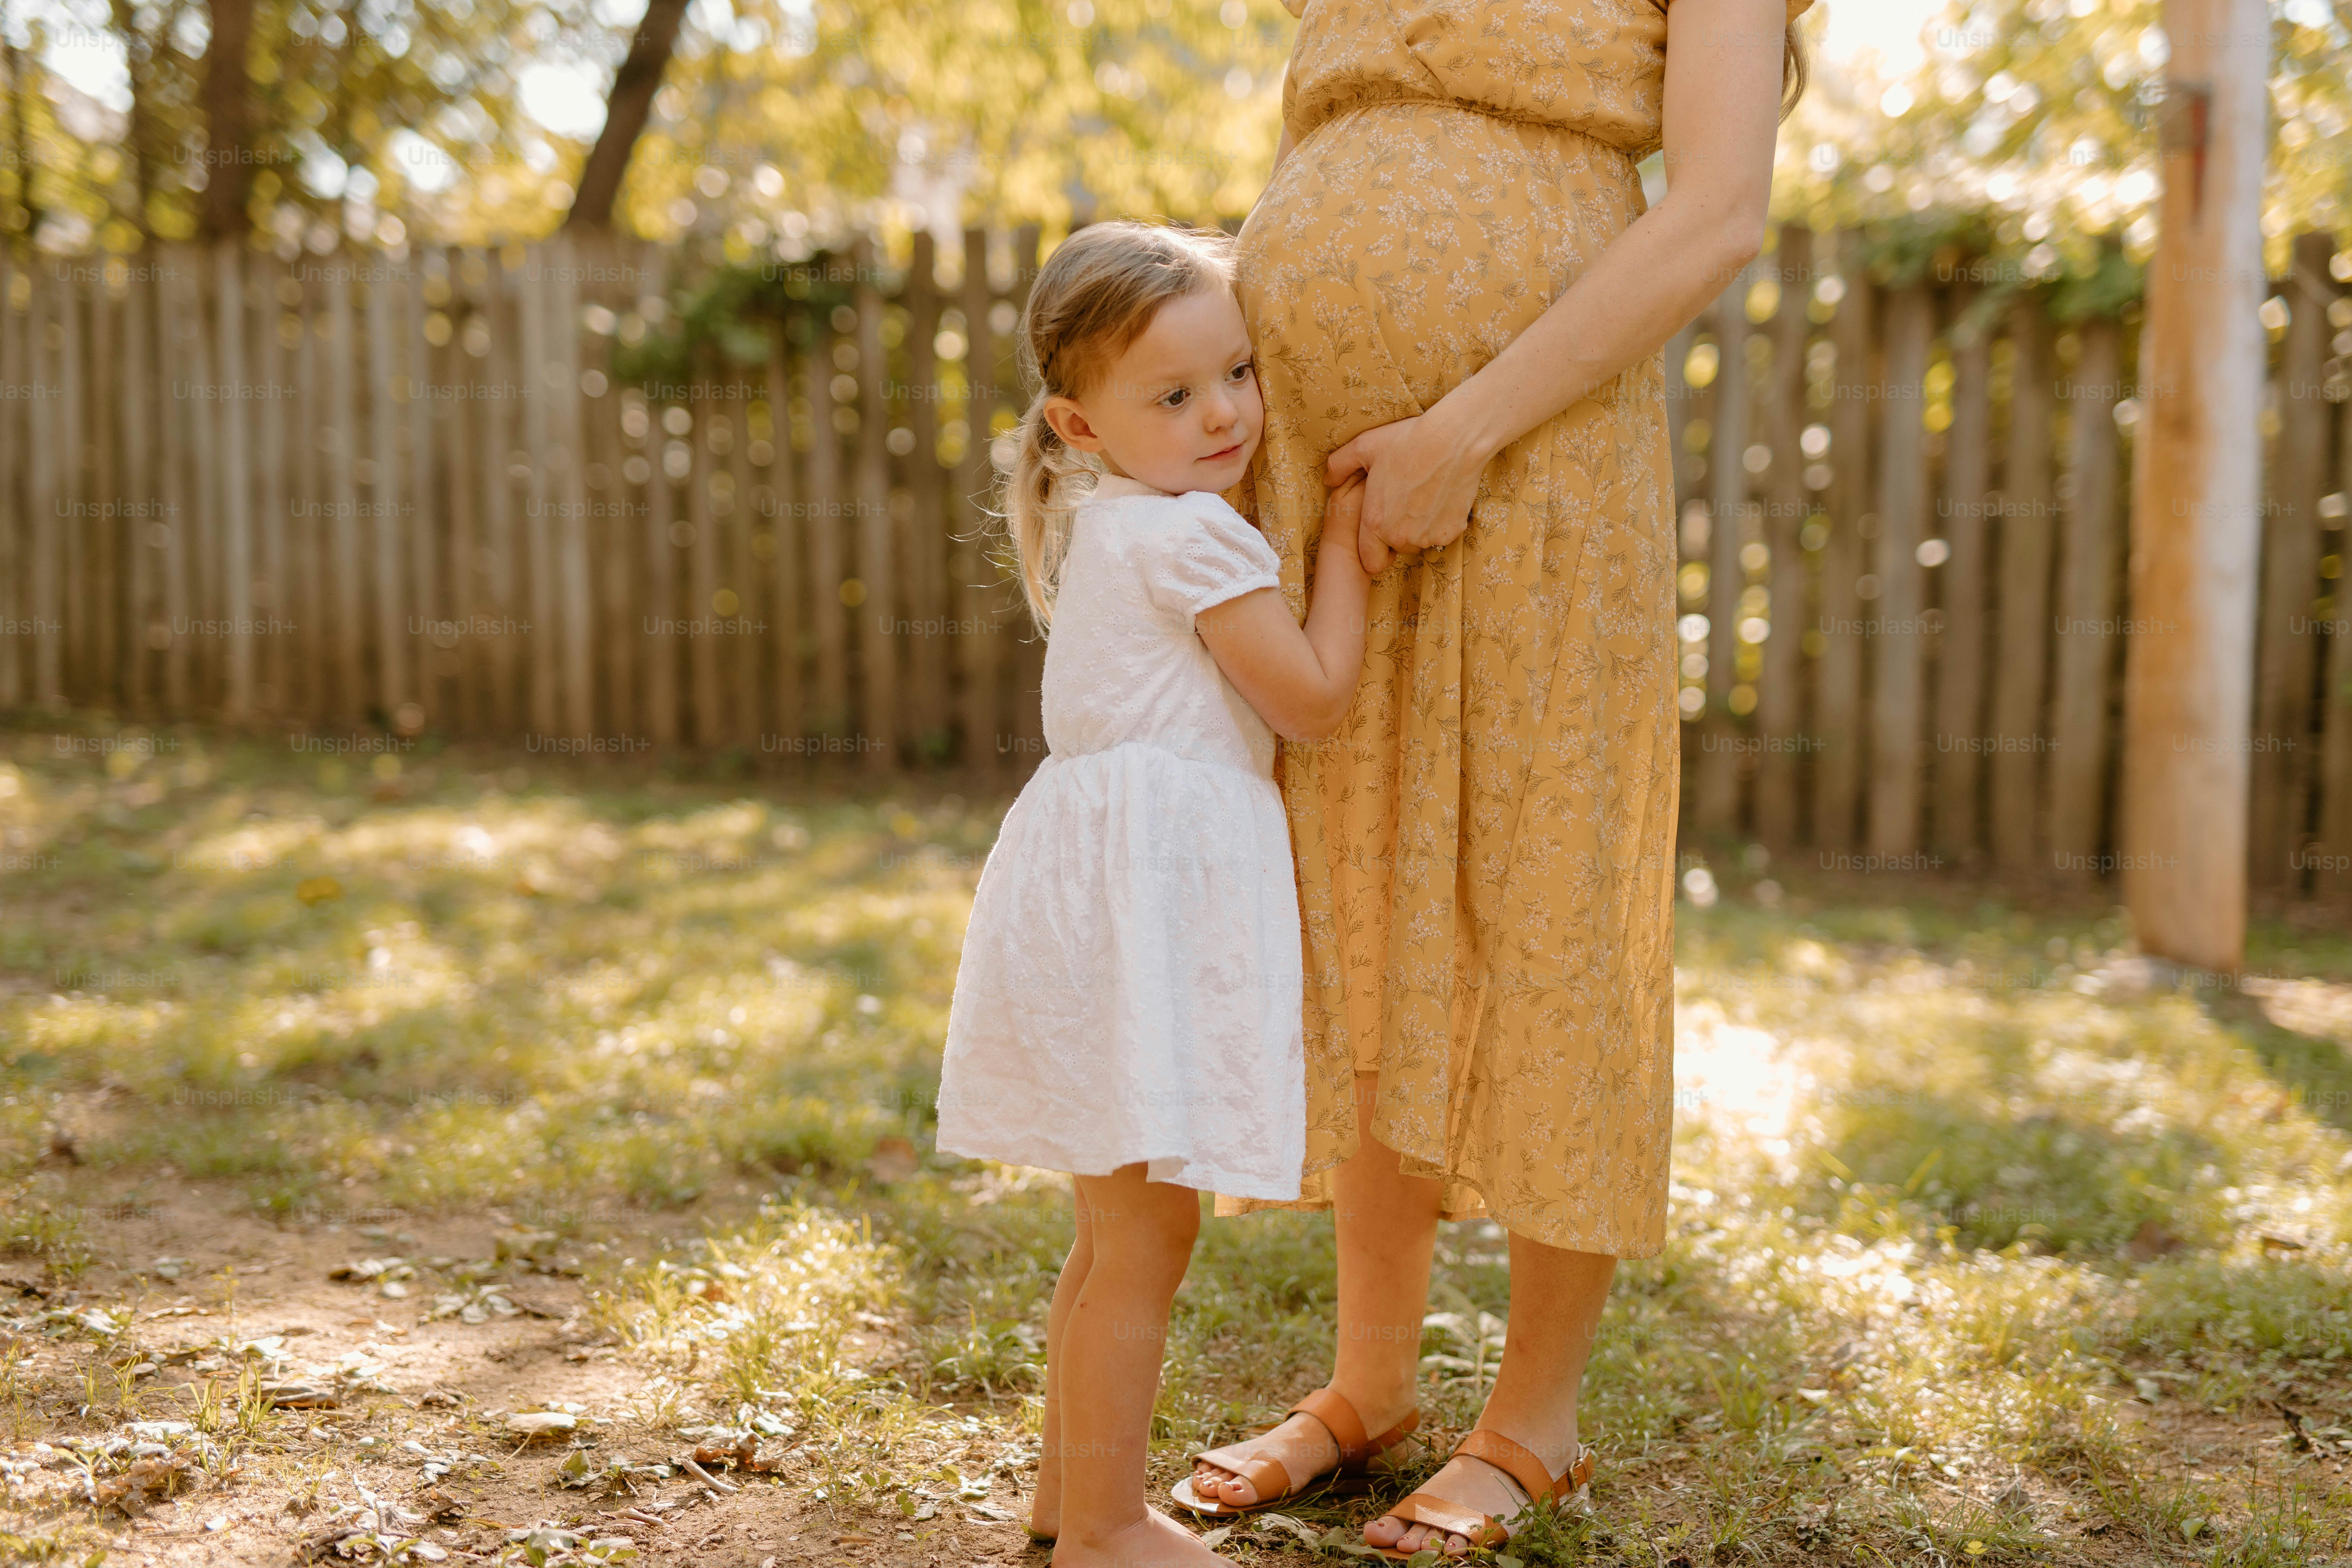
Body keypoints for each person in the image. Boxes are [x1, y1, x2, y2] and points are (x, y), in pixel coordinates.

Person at [1184, 0, 1813, 1557]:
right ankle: (1369, 1384)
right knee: (1354, 871)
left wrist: (1461, 427)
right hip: (1318, 471)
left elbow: (1721, 208)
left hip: (1538, 454)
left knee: (1541, 883)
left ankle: (1532, 1423)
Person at [934, 219, 1376, 1568]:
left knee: (1107, 1232)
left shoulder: (1103, 522)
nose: (1226, 413)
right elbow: (1310, 698)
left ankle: (1068, 1502)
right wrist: (1351, 546)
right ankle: (1111, 1531)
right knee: (1145, 1238)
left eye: (1236, 374)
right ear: (1080, 421)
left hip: (1089, 892)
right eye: (1174, 396)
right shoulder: (1190, 538)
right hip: (1144, 904)